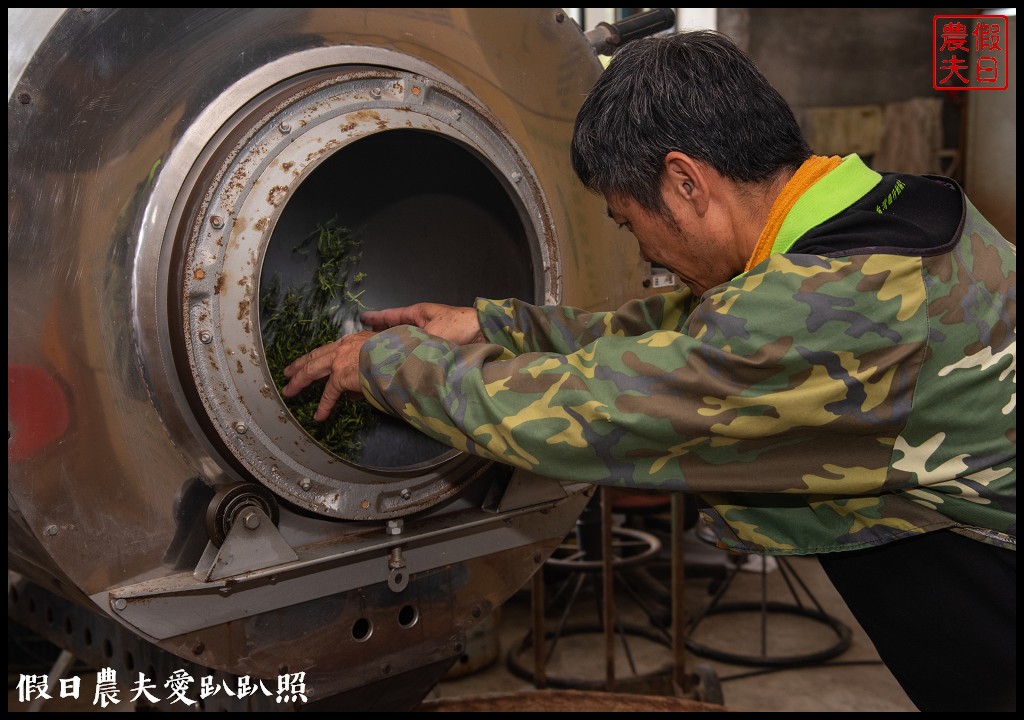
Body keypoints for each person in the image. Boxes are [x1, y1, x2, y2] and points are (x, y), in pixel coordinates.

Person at [282, 31, 1015, 711]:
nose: (645, 257)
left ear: (687, 182)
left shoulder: (831, 307)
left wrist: (386, 363)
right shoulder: (882, 217)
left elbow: (599, 411)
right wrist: (492, 324)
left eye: (632, 223)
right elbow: (688, 336)